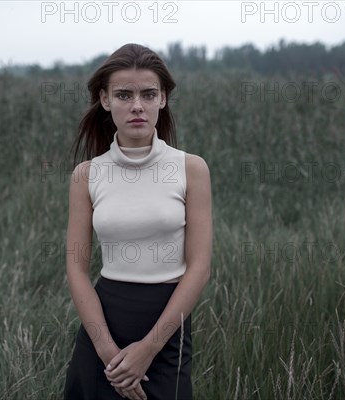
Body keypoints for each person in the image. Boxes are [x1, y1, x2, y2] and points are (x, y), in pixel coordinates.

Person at [63, 43, 212, 400]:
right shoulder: (87, 175)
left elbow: (200, 267)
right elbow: (76, 266)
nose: (136, 106)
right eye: (124, 95)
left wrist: (147, 349)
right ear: (104, 99)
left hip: (167, 329)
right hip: (103, 330)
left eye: (148, 94)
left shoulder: (191, 169)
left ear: (163, 99)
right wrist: (107, 353)